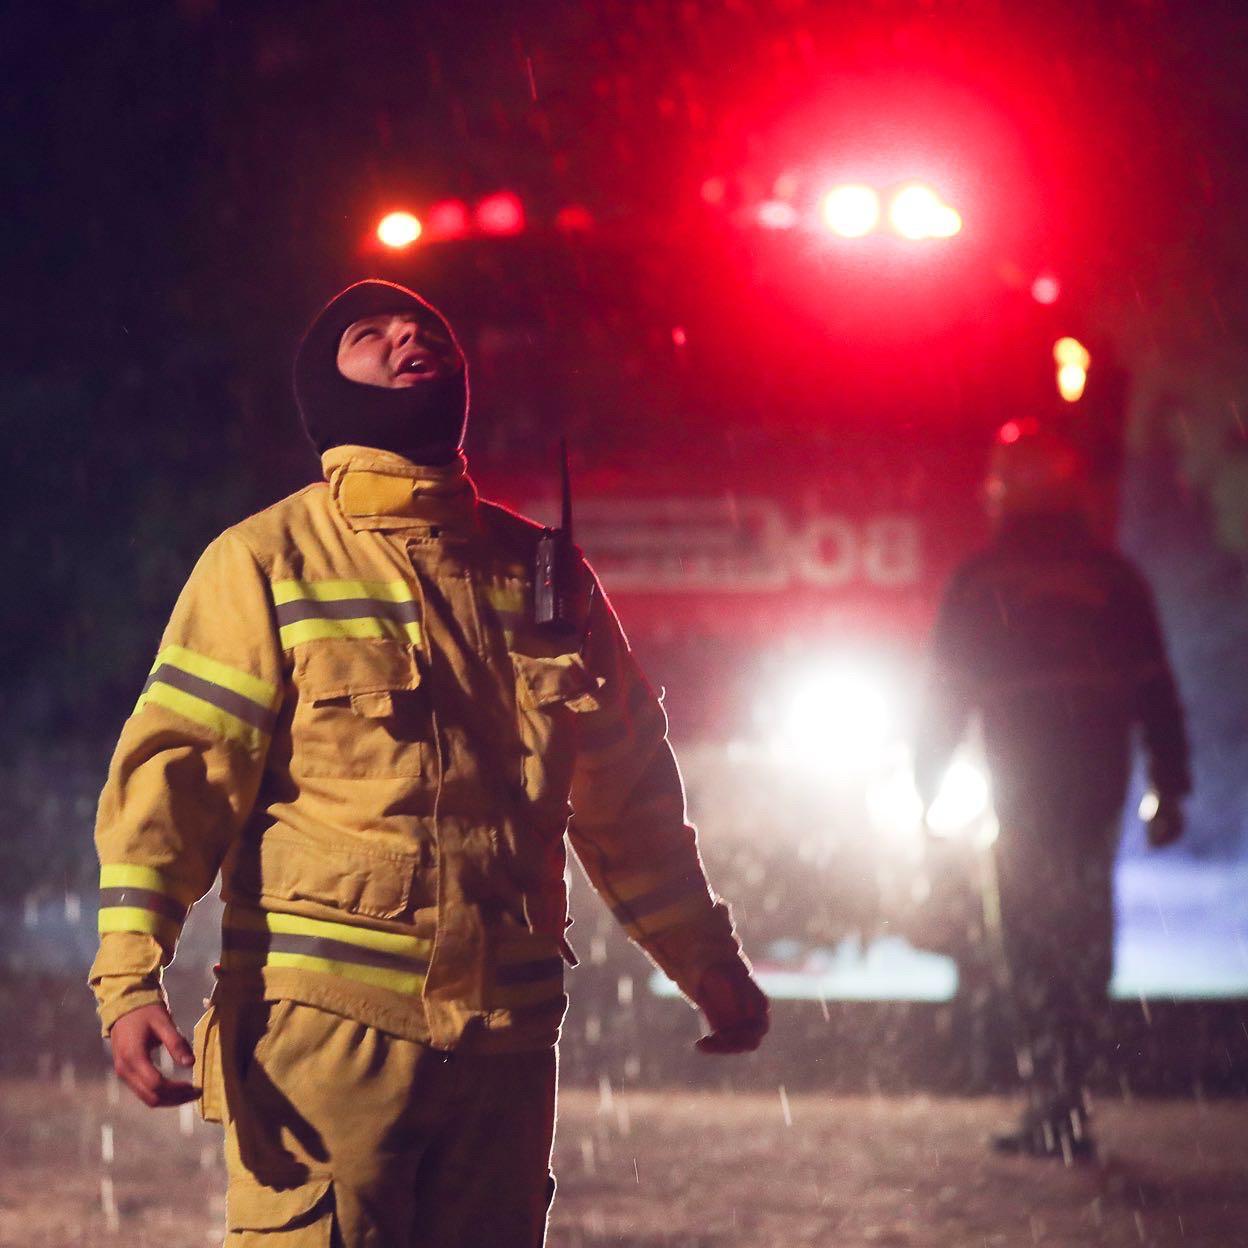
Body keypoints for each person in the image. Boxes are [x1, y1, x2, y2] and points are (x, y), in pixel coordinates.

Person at [90, 279, 770, 1246]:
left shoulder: (544, 577)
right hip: (324, 1037)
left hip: (506, 1047)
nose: (408, 335)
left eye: (427, 330)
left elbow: (631, 797)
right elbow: (176, 778)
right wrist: (129, 977)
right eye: (370, 335)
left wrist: (705, 957)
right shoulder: (262, 561)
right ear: (326, 393)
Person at [914, 418, 1190, 1161]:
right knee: (1081, 933)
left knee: (1030, 939)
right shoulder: (1112, 579)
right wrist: (1171, 787)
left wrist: (926, 784)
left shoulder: (980, 581)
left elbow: (944, 696)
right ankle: (1072, 1090)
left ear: (1000, 494)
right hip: (1095, 784)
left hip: (1023, 787)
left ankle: (1054, 1095)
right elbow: (1155, 690)